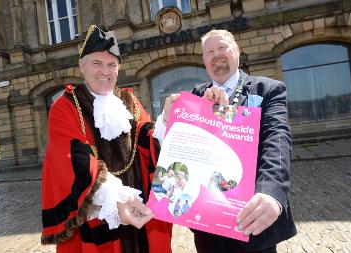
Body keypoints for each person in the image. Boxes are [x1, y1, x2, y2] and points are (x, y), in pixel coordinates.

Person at [161, 29, 297, 252]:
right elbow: (183, 149)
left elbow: (278, 139)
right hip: (207, 225)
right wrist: (169, 120)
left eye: (222, 47)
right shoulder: (194, 96)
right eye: (209, 52)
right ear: (204, 60)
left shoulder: (267, 89)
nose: (216, 55)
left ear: (237, 50)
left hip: (252, 223)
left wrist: (271, 191)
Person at [41, 25, 172, 253]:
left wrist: (168, 121)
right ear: (82, 66)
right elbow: (75, 162)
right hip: (101, 218)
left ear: (118, 68)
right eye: (97, 63)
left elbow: (148, 138)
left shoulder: (129, 101)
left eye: (111, 64)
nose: (105, 71)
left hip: (140, 217)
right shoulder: (66, 106)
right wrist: (119, 200)